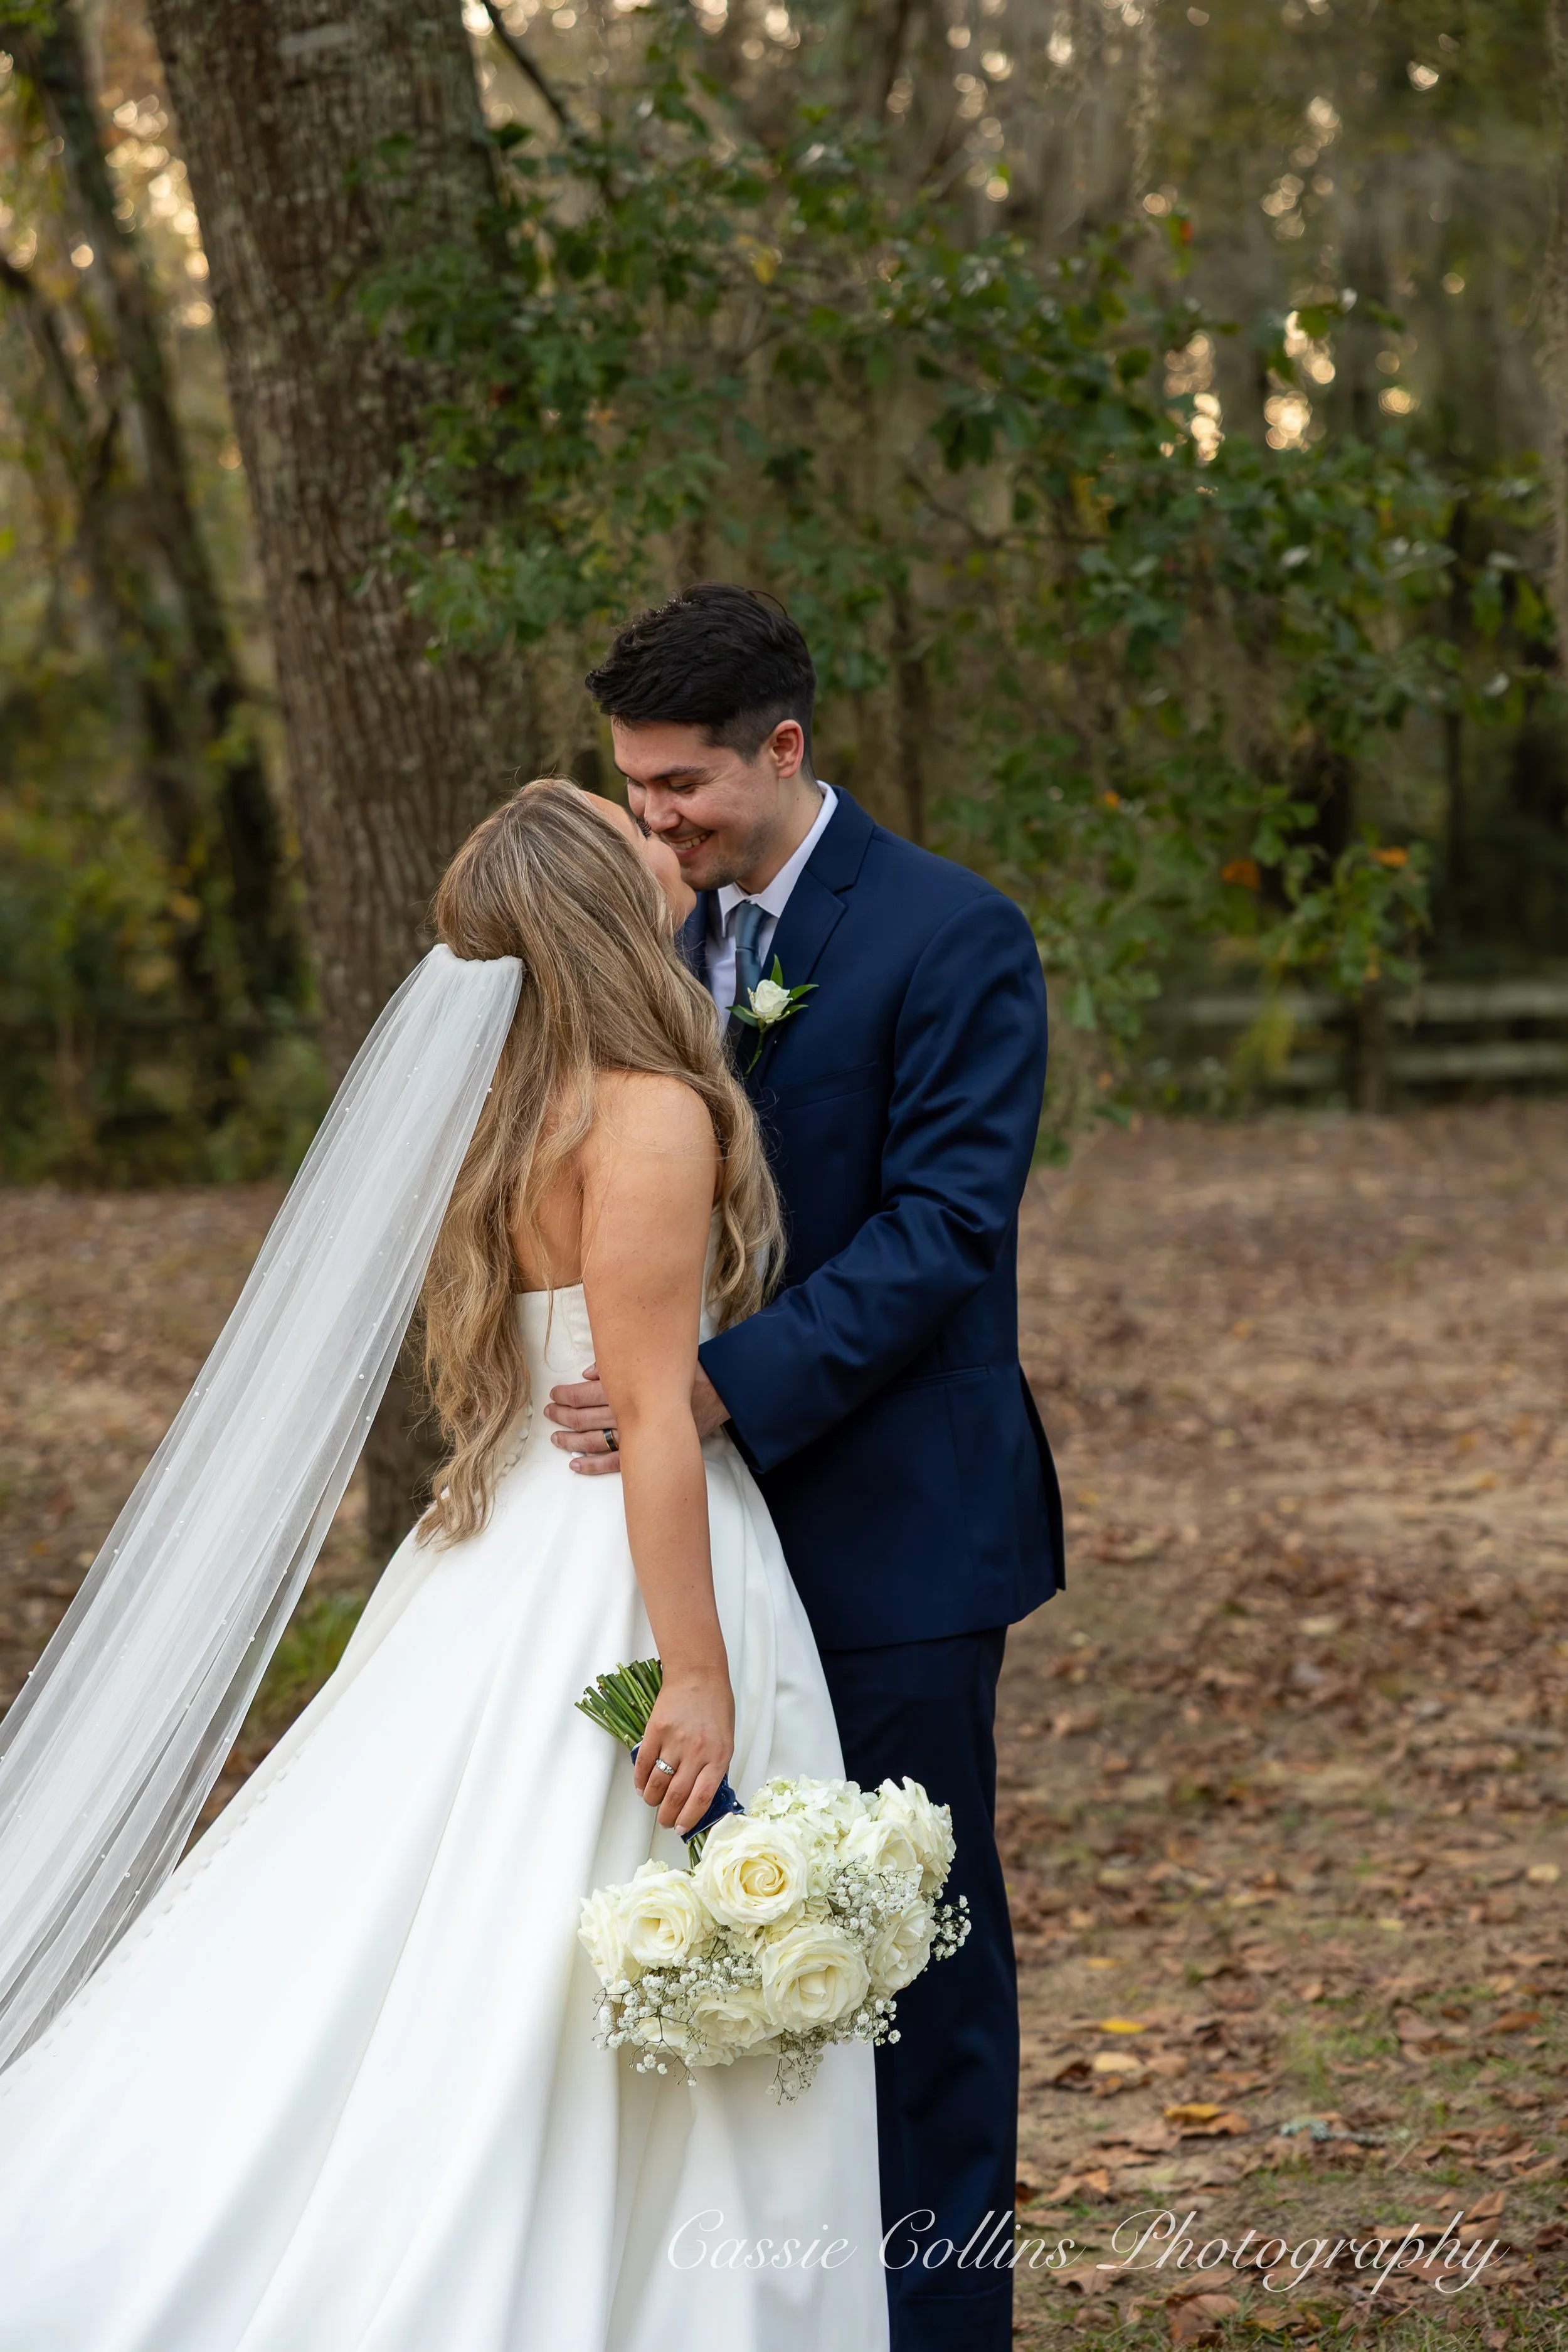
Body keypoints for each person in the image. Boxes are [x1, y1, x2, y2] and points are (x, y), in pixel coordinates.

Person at [0, 780, 888, 2351]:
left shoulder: (503, 1111)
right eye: (632, 843)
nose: (661, 844)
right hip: (616, 1561)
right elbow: (650, 1423)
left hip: (494, 1552)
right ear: (598, 912)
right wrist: (692, 1667)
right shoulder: (649, 1110)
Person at [549, 584, 1064, 2352]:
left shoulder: (951, 934)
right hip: (692, 1545)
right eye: (631, 787)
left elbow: (940, 1231)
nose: (655, 820)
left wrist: (710, 1389)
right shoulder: (640, 928)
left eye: (682, 784)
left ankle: (941, 2325)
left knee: (910, 1954)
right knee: (733, 1946)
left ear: (785, 746)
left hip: (896, 1534)